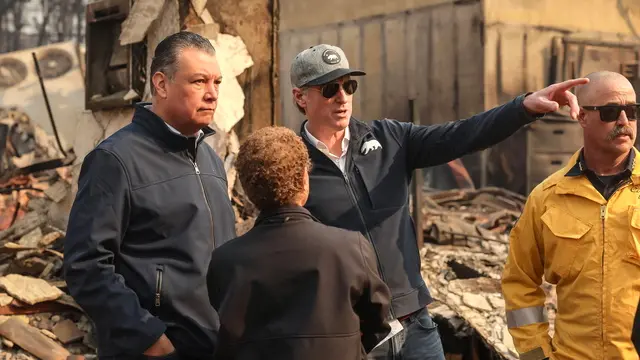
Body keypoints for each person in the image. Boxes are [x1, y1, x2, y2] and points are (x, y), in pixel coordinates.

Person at [289, 43, 588, 360]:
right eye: (329, 88)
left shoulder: (390, 139)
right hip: (350, 336)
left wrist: (524, 107)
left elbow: (462, 134)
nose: (343, 97)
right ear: (300, 97)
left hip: (414, 324)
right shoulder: (293, 167)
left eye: (349, 85)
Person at [63, 31, 236, 360]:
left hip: (217, 347)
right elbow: (85, 265)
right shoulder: (115, 160)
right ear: (161, 84)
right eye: (199, 81)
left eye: (217, 82)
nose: (212, 94)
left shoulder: (211, 159)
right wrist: (149, 338)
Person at [207, 126, 392, 360]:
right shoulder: (351, 247)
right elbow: (378, 323)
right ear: (304, 180)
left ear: (247, 187)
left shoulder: (225, 261)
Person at [502, 70, 640, 360]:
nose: (624, 121)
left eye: (632, 111)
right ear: (582, 116)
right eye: (610, 112)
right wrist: (535, 356)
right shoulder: (547, 197)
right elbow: (520, 283)